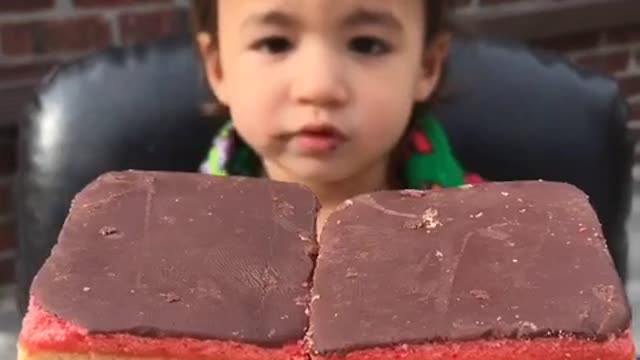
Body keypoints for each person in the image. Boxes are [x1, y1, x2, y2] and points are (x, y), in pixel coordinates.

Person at [192, 0, 481, 230]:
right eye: (275, 44)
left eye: (367, 44)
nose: (319, 87)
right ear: (218, 69)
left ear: (427, 66)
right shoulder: (181, 232)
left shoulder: (486, 227)